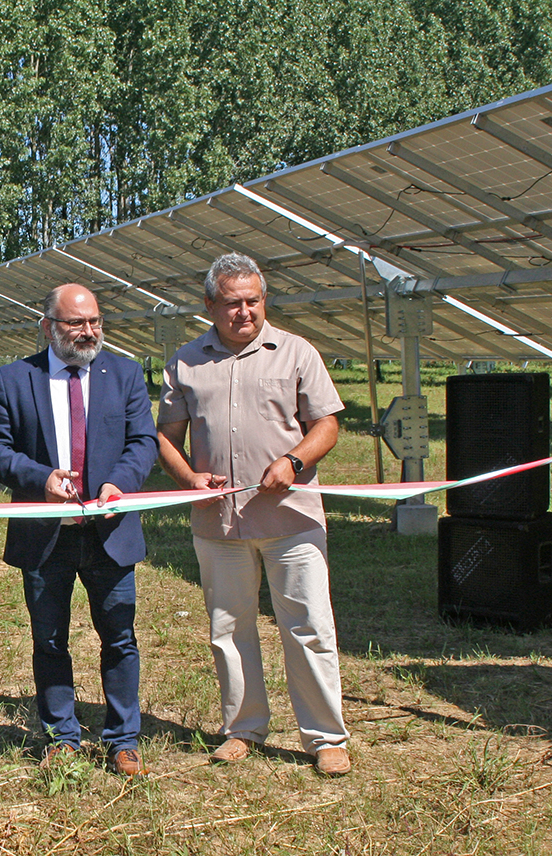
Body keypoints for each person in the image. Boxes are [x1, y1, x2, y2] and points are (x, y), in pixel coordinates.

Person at [156, 252, 351, 777]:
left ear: (264, 301)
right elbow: (166, 438)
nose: (244, 312)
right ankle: (242, 728)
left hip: (291, 516)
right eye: (232, 303)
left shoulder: (296, 353)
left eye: (253, 301)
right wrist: (189, 479)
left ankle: (325, 737)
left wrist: (294, 460)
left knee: (308, 625)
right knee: (229, 627)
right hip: (219, 522)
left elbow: (327, 424)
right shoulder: (186, 362)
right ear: (209, 306)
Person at [0, 284, 158, 777]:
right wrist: (38, 479)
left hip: (109, 532)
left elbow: (142, 441)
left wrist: (117, 483)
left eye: (95, 321)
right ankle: (61, 735)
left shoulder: (124, 374)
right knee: (49, 640)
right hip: (46, 534)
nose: (88, 332)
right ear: (48, 328)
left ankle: (123, 738)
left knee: (120, 637)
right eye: (75, 323)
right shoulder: (16, 378)